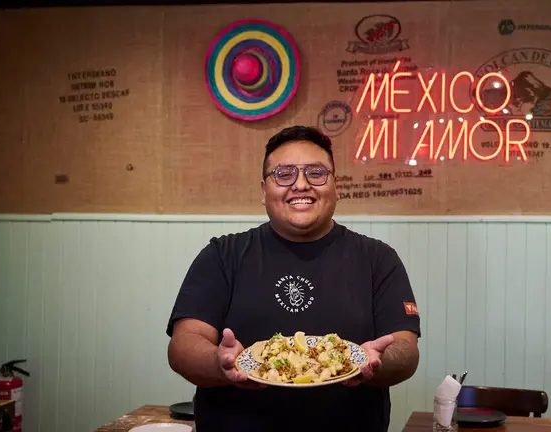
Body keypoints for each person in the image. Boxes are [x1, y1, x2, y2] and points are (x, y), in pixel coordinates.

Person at [166, 126, 422, 432]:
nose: (301, 185)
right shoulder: (222, 255)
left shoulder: (378, 259)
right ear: (264, 191)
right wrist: (220, 364)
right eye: (284, 174)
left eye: (316, 173)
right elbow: (184, 344)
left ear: (336, 186)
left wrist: (378, 361)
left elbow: (406, 350)